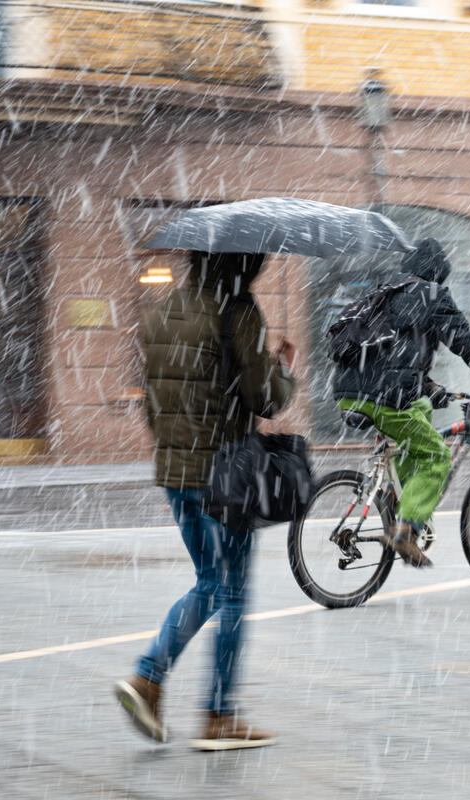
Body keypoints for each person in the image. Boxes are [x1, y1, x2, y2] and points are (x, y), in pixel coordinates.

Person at [115, 251, 295, 750]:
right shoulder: (236, 309)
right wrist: (282, 368)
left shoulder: (162, 309)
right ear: (245, 263)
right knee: (230, 591)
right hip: (224, 471)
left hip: (176, 471)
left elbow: (154, 399)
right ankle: (214, 712)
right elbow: (266, 399)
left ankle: (150, 682)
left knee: (210, 584)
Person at [332, 237, 470, 567]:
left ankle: (394, 495)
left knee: (422, 409)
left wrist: (428, 387)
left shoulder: (385, 292)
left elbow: (388, 354)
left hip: (350, 391)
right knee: (435, 455)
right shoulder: (431, 295)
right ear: (436, 274)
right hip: (384, 397)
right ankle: (405, 528)